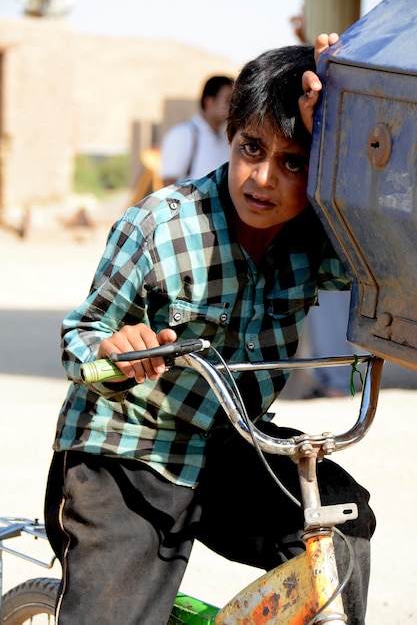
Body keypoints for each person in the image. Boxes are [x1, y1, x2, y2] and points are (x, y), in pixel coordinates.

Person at [44, 35, 375, 625]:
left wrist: (359, 114)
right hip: (127, 454)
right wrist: (112, 353)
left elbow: (393, 232)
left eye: (294, 162)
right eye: (252, 148)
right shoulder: (158, 226)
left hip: (232, 447)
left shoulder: (320, 239)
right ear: (230, 135)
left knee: (342, 521)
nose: (264, 179)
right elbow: (80, 342)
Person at [159, 75, 234, 186]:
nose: (232, 107)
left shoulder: (227, 138)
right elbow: (169, 183)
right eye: (228, 100)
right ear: (209, 101)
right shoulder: (183, 134)